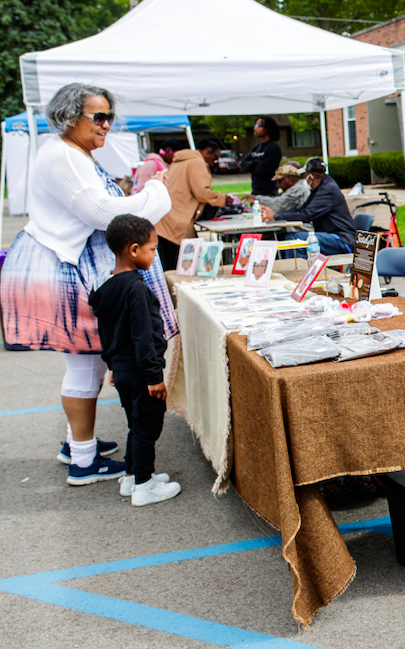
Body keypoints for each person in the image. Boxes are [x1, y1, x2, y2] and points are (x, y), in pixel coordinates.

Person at [0, 83, 173, 484]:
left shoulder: (69, 153)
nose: (106, 125)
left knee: (89, 363)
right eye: (98, 116)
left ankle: (78, 443)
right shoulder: (63, 155)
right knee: (85, 365)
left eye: (109, 117)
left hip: (61, 265)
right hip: (60, 268)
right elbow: (101, 212)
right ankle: (82, 461)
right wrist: (156, 194)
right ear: (68, 116)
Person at [89, 215, 181, 506]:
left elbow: (106, 333)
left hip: (123, 371)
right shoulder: (137, 290)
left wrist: (113, 366)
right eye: (152, 249)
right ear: (133, 249)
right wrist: (155, 377)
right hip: (143, 372)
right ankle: (144, 484)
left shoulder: (107, 288)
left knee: (135, 424)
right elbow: (144, 335)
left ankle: (131, 476)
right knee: (147, 428)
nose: (155, 255)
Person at [155, 138, 234, 270]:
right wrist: (223, 198)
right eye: (215, 158)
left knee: (169, 265)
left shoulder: (180, 161)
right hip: (177, 222)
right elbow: (202, 192)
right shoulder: (197, 162)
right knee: (181, 268)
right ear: (208, 151)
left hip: (165, 219)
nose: (214, 163)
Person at [262, 158, 358, 255]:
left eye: (304, 176)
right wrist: (277, 215)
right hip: (332, 236)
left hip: (342, 239)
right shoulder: (320, 188)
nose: (304, 180)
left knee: (293, 239)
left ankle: (300, 269)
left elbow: (306, 215)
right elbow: (302, 210)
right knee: (284, 237)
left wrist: (275, 216)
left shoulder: (327, 190)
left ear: (310, 177)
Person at [239, 116, 282, 197]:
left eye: (258, 126)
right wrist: (256, 162)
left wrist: (252, 165)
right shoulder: (256, 147)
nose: (255, 129)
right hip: (255, 191)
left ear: (267, 128)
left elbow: (262, 169)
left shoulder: (274, 148)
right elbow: (243, 165)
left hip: (269, 193)